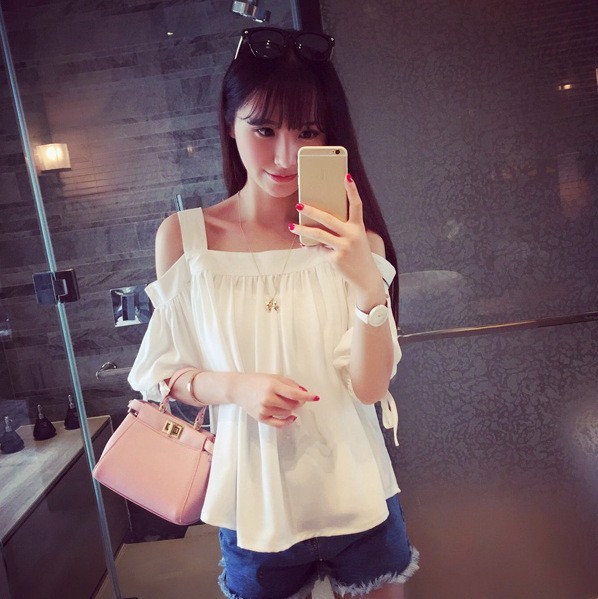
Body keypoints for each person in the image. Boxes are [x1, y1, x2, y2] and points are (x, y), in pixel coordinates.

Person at [128, 26, 419, 599]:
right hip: (253, 508)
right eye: (264, 129)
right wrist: (235, 387)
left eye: (307, 131)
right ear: (229, 123)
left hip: (359, 498)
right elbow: (163, 375)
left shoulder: (355, 244)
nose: (286, 156)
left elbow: (369, 388)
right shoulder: (186, 239)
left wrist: (365, 279)